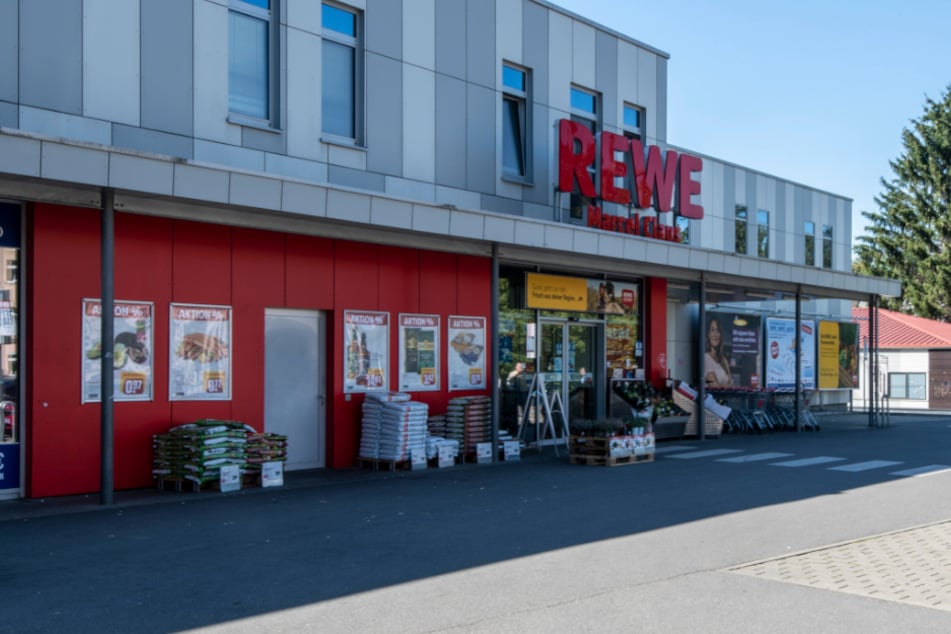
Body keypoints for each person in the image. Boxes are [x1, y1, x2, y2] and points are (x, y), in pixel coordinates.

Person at [704, 317, 733, 387]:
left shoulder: (723, 360)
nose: (715, 334)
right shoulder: (706, 358)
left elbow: (731, 384)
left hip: (724, 397)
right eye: (712, 330)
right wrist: (726, 388)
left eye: (718, 330)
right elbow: (714, 386)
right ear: (708, 334)